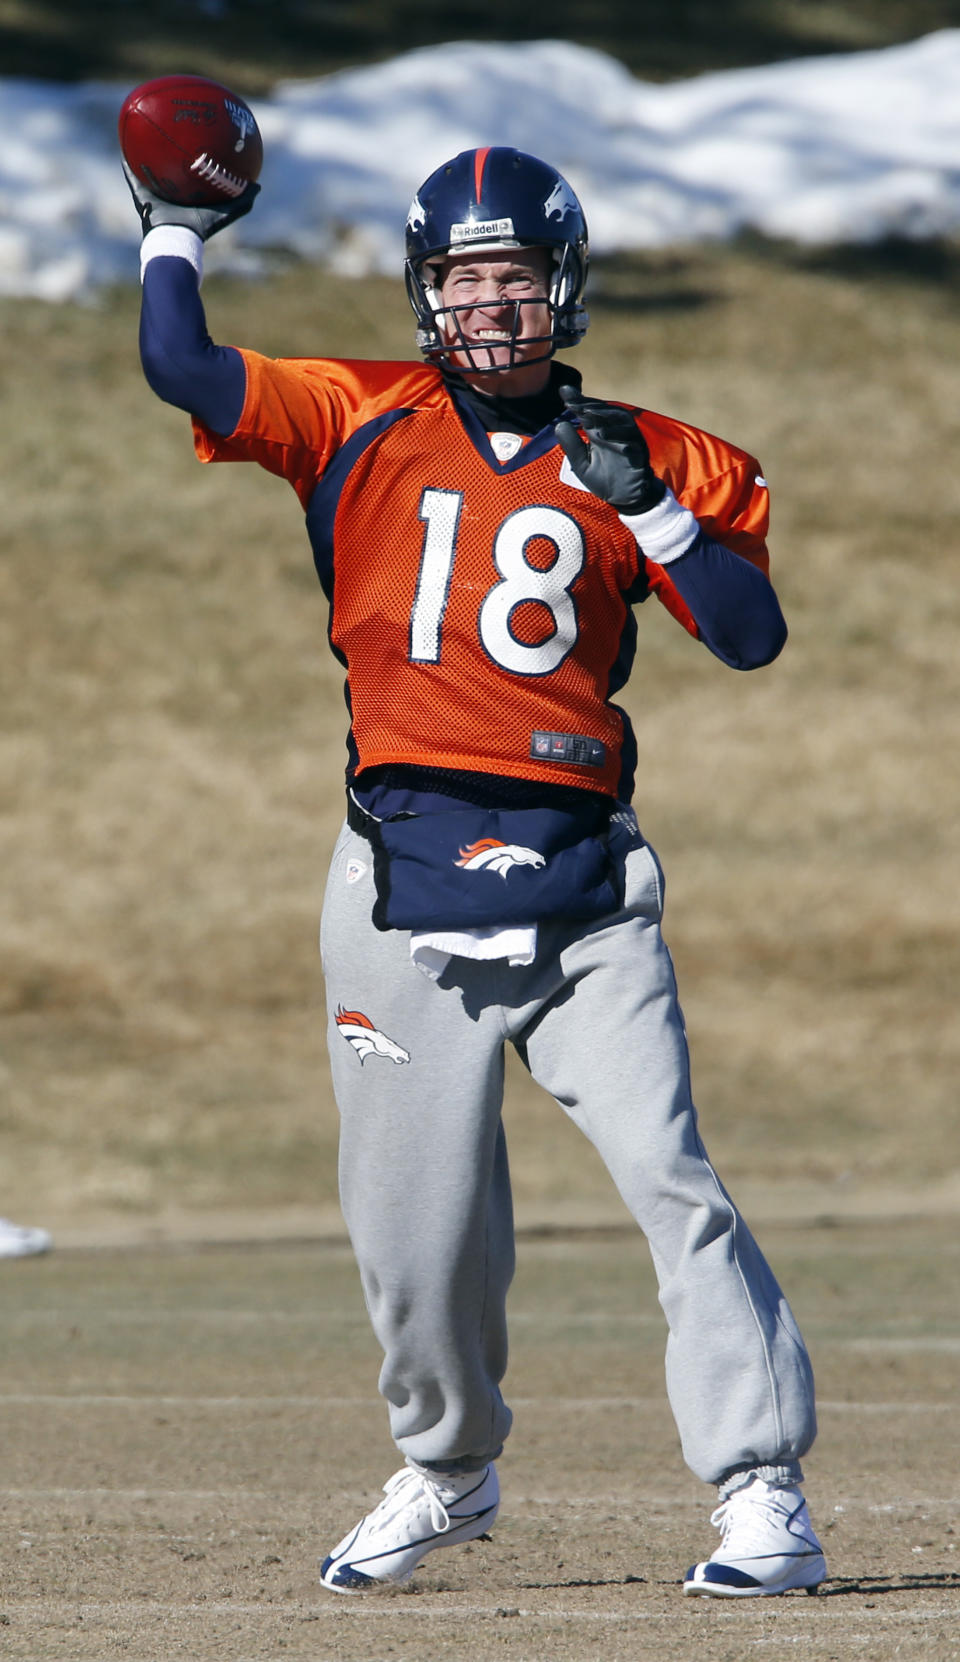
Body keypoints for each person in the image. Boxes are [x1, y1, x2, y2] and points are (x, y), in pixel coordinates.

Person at [124, 141, 826, 1599]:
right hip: (401, 867)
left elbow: (750, 633)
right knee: (413, 1231)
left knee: (671, 1178)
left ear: (562, 283)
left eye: (512, 273)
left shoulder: (659, 451)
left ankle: (763, 1489)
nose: (488, 301)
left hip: (581, 882)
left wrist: (653, 512)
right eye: (461, 274)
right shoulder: (356, 414)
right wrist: (175, 231)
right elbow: (184, 369)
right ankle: (448, 1468)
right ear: (422, 287)